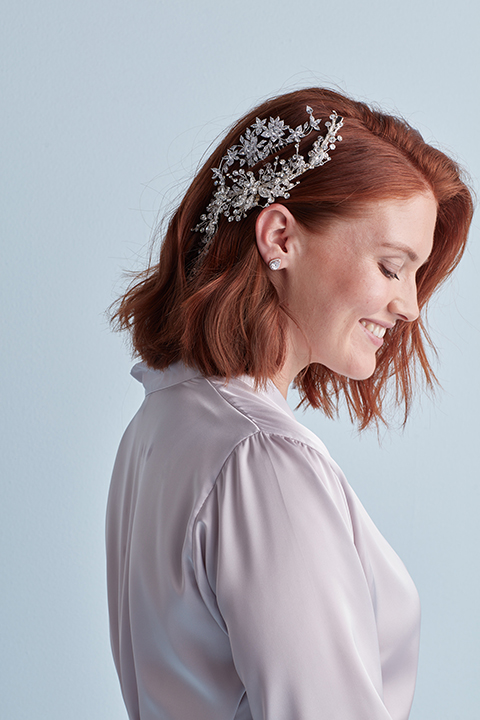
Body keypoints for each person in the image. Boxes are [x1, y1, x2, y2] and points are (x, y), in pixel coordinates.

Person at [106, 87, 473, 720]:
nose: (410, 305)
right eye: (391, 267)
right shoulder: (262, 458)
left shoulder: (159, 422)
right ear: (279, 236)